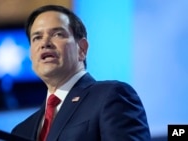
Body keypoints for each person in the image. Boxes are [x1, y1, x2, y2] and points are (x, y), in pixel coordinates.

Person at [12, 5, 151, 141]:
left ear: (82, 49)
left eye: (57, 34)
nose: (45, 43)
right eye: (37, 37)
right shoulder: (21, 131)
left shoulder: (110, 96)